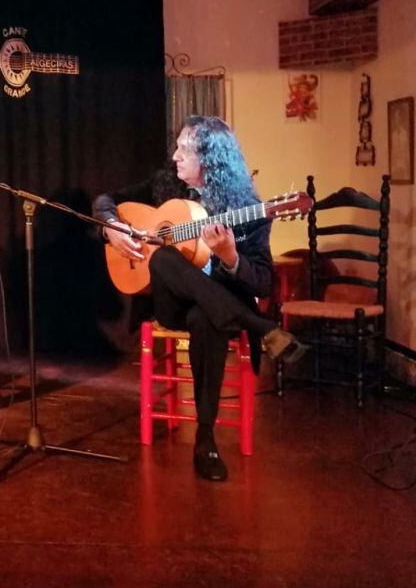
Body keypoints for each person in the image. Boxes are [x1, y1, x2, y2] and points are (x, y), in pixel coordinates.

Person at [94, 115, 302, 482]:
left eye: (184, 149)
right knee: (164, 257)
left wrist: (231, 258)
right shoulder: (164, 184)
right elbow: (106, 200)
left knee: (208, 318)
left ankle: (205, 439)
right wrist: (111, 227)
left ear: (209, 158)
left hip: (215, 305)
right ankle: (259, 325)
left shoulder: (245, 207)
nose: (175, 156)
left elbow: (263, 283)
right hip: (170, 303)